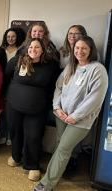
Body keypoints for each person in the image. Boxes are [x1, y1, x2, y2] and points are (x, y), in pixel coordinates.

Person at [34, 36, 108, 191]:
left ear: (91, 50)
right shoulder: (70, 66)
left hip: (80, 120)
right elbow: (58, 87)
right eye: (77, 48)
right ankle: (54, 175)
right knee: (60, 145)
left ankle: (47, 184)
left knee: (63, 149)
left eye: (84, 48)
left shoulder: (97, 70)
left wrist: (75, 116)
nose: (79, 51)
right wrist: (56, 107)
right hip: (62, 115)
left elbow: (94, 99)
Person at [5, 38, 60, 181]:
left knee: (33, 135)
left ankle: (32, 165)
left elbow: (55, 86)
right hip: (14, 105)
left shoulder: (51, 65)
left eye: (37, 47)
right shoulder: (18, 60)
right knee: (15, 132)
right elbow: (6, 77)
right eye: (30, 47)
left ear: (43, 50)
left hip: (37, 108)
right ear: (26, 48)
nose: (33, 50)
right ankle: (16, 157)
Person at [58, 25, 88, 171]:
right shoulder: (62, 52)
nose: (72, 36)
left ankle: (73, 160)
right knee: (61, 137)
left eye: (76, 33)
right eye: (70, 33)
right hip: (62, 97)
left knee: (72, 139)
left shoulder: (87, 52)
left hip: (78, 101)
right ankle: (61, 164)